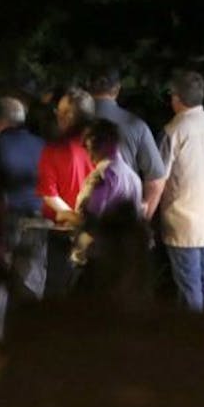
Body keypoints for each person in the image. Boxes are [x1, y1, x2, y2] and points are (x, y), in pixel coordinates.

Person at [156, 69, 204, 359]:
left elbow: (158, 176)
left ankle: (195, 343)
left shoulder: (173, 130)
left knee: (189, 284)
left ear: (176, 98)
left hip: (185, 216)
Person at [59, 118, 144, 292]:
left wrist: (65, 215)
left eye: (88, 145)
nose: (86, 150)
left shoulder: (102, 175)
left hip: (96, 258)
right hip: (124, 256)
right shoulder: (132, 176)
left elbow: (90, 220)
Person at [0, 96, 47, 339]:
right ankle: (32, 337)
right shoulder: (43, 145)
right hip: (39, 220)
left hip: (8, 219)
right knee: (32, 279)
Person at [85, 65, 167, 218]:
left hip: (81, 217)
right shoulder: (136, 125)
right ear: (117, 89)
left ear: (88, 88)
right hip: (123, 219)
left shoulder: (73, 122)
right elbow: (156, 181)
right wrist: (143, 219)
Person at [36, 86, 95, 296]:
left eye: (59, 113)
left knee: (58, 293)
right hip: (97, 232)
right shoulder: (104, 146)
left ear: (67, 118)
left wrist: (74, 218)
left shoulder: (53, 149)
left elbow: (49, 194)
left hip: (63, 233)